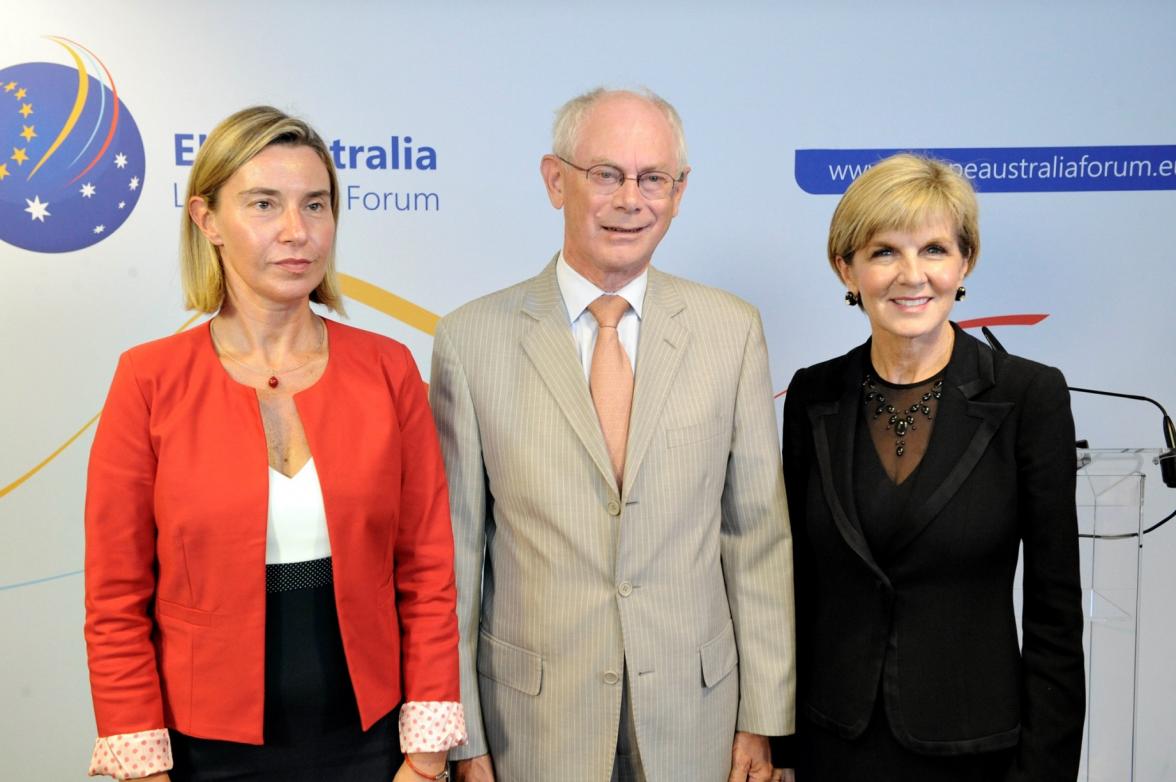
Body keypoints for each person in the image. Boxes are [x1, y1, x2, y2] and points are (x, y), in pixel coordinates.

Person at [84, 106, 465, 781]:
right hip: (203, 749)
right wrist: (141, 764)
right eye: (265, 204)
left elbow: (428, 570)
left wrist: (427, 753)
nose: (298, 232)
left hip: (373, 742)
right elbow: (116, 598)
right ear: (207, 221)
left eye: (315, 205)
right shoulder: (148, 379)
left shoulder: (388, 368)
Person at [429, 87, 795, 782]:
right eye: (606, 174)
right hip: (528, 727)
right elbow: (456, 555)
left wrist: (762, 719)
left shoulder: (732, 331)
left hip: (699, 720)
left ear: (679, 193)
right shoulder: (470, 340)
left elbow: (756, 538)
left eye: (653, 178)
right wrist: (462, 738)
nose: (632, 199)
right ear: (554, 179)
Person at [774, 153, 1085, 781]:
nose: (911, 276)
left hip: (977, 752)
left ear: (964, 263)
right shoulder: (814, 394)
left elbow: (1056, 612)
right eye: (884, 251)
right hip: (833, 746)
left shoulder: (1028, 396)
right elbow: (794, 586)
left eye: (935, 250)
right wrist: (781, 747)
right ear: (847, 268)